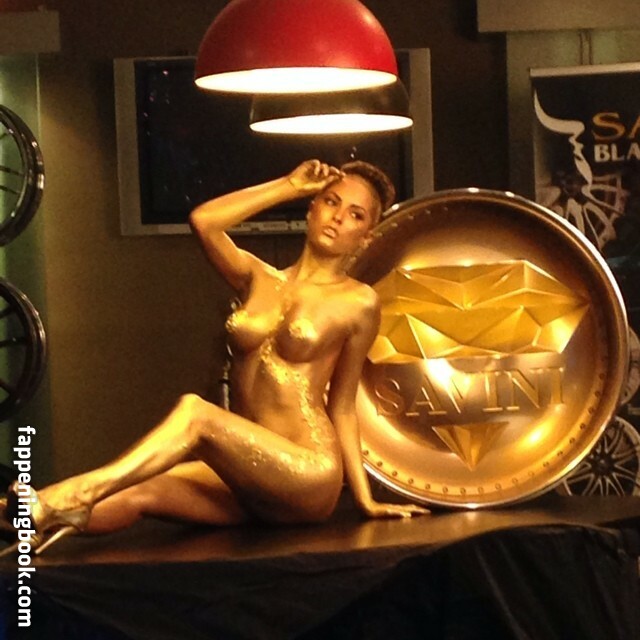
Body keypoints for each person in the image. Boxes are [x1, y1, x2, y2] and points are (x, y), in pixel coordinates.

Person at [2, 159, 429, 556]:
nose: (337, 217)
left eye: (355, 215)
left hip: (306, 472)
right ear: (312, 207)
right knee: (141, 488)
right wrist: (288, 185)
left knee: (196, 414)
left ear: (366, 236)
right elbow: (205, 221)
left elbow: (344, 406)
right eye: (331, 202)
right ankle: (24, 521)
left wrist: (365, 499)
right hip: (248, 473)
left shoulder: (358, 302)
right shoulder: (256, 277)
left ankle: (70, 496)